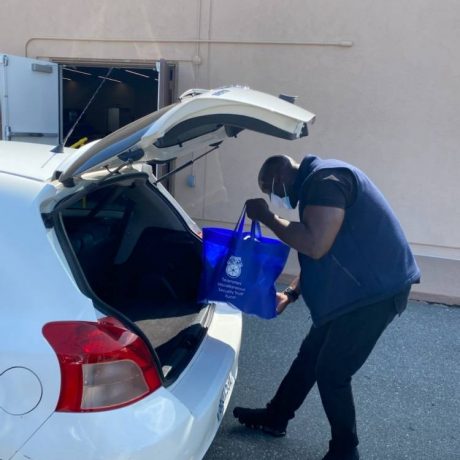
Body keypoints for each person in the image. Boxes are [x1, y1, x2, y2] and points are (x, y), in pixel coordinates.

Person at [233, 154, 421, 460]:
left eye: (270, 188)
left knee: (332, 370)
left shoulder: (325, 183)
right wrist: (291, 294)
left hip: (377, 292)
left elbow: (315, 244)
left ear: (281, 178)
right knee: (311, 353)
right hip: (359, 287)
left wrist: (267, 217)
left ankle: (346, 450)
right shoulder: (315, 185)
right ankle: (276, 417)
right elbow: (328, 253)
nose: (273, 196)